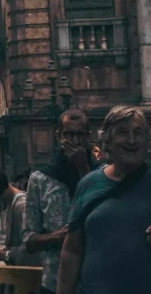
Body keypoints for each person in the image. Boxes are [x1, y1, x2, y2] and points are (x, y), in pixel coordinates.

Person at [56, 106, 151, 294]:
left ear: (147, 141)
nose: (131, 140)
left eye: (138, 133)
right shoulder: (89, 184)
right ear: (106, 141)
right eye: (122, 132)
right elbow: (72, 250)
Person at [23, 109, 93, 294]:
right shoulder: (40, 179)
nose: (75, 141)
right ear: (58, 136)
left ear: (88, 137)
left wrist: (83, 167)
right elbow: (28, 238)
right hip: (54, 282)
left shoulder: (102, 175)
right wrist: (56, 237)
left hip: (93, 281)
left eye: (80, 134)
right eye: (69, 134)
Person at [0, 167, 43, 268]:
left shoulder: (22, 205)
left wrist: (6, 255)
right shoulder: (12, 204)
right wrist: (4, 250)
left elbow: (31, 244)